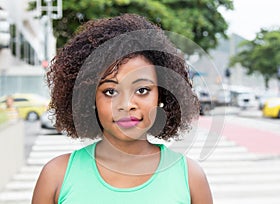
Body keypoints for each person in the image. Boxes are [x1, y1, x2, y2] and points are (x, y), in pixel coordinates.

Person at [32, 14, 213, 204]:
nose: (127, 105)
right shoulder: (56, 177)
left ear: (162, 95)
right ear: (89, 98)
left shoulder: (190, 178)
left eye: (142, 90)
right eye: (110, 91)